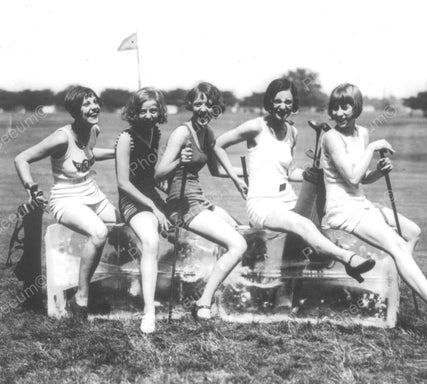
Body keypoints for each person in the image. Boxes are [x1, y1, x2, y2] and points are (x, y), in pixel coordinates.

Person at [319, 82, 427, 333]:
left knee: (412, 232)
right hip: (341, 210)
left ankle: (392, 286)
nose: (340, 113)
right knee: (396, 245)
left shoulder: (362, 133)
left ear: (357, 108)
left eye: (346, 106)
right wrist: (374, 148)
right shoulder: (331, 137)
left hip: (360, 204)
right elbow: (351, 178)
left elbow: (362, 179)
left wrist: (378, 171)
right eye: (335, 108)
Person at [214, 78, 375, 289]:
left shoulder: (292, 132)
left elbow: (288, 172)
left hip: (287, 199)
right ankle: (348, 259)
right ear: (269, 101)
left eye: (288, 102)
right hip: (262, 204)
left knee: (315, 225)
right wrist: (236, 178)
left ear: (293, 104)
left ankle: (291, 288)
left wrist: (310, 173)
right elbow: (218, 145)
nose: (282, 107)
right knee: (303, 225)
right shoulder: (255, 126)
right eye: (277, 101)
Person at [14, 85, 116, 320]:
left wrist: (117, 150)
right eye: (86, 104)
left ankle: (111, 282)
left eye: (95, 101)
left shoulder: (94, 129)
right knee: (99, 233)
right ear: (74, 110)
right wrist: (31, 187)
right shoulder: (62, 137)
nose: (94, 107)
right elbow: (22, 158)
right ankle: (80, 298)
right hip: (66, 200)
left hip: (95, 196)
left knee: (129, 226)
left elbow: (89, 153)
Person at [155, 82, 247, 321]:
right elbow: (158, 173)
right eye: (199, 104)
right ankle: (203, 302)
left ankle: (216, 291)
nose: (204, 109)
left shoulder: (207, 133)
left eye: (209, 104)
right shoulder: (182, 133)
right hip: (181, 205)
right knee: (237, 245)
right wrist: (179, 162)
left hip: (198, 199)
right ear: (191, 106)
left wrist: (240, 178)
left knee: (239, 231)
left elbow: (217, 169)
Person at [115, 87, 171, 333]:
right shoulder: (126, 138)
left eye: (153, 110)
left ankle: (165, 287)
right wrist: (154, 208)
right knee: (150, 241)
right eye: (143, 111)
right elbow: (123, 183)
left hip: (152, 196)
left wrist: (169, 194)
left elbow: (151, 174)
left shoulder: (155, 132)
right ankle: (149, 312)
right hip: (132, 200)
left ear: (160, 111)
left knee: (187, 225)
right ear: (134, 112)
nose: (148, 115)